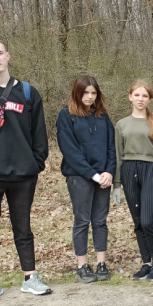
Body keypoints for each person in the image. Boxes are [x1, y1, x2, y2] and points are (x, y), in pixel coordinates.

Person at [0, 35, 51, 305]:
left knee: (23, 228)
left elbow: (39, 134)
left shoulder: (28, 92)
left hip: (22, 174)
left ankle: (30, 278)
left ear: (8, 56)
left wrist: (35, 163)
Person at [56, 76, 116, 283]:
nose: (90, 97)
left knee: (100, 220)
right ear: (77, 92)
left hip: (103, 177)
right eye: (85, 93)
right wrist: (93, 174)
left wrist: (109, 172)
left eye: (93, 93)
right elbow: (69, 150)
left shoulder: (103, 116)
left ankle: (101, 263)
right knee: (82, 220)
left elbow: (111, 147)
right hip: (79, 176)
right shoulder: (66, 115)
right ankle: (82, 265)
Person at [113, 80, 153, 281]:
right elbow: (118, 155)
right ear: (130, 97)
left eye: (145, 96)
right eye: (137, 95)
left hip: (151, 170)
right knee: (138, 222)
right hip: (129, 170)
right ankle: (146, 262)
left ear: (149, 99)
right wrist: (117, 184)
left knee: (148, 221)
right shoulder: (121, 124)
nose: (140, 99)